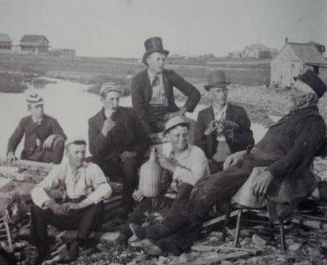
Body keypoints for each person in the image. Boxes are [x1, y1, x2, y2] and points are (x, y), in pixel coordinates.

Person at [130, 70, 327, 255]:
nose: (291, 93)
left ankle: (164, 238)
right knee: (201, 185)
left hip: (260, 168)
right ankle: (165, 239)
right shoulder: (294, 115)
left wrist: (270, 173)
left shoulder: (313, 122)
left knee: (207, 190)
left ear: (308, 96)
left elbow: (297, 156)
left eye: (296, 91)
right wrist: (243, 152)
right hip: (249, 160)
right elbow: (266, 144)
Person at [121, 116, 209, 241]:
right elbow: (161, 187)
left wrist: (172, 167)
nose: (182, 139)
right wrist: (143, 192)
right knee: (146, 202)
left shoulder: (197, 153)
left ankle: (147, 233)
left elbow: (198, 182)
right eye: (176, 135)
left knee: (185, 187)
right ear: (167, 137)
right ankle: (123, 235)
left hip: (193, 202)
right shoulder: (167, 156)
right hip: (173, 203)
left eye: (184, 135)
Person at [30, 137, 112, 264]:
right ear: (67, 154)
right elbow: (37, 189)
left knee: (98, 204)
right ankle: (43, 252)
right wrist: (53, 206)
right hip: (68, 214)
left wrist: (79, 205)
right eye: (76, 152)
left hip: (85, 215)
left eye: (83, 152)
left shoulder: (92, 168)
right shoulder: (60, 169)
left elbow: (106, 188)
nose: (80, 156)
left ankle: (79, 244)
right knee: (36, 207)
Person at [88, 83, 150, 213]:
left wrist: (134, 152)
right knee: (86, 162)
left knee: (130, 164)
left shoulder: (129, 114)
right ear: (102, 100)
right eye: (111, 99)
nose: (115, 103)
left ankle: (126, 207)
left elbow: (145, 138)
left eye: (117, 99)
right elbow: (94, 150)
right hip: (107, 162)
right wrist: (103, 133)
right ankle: (91, 205)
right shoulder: (94, 121)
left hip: (126, 160)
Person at [131, 37, 201, 133]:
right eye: (158, 59)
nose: (161, 63)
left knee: (195, 129)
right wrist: (160, 124)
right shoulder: (137, 80)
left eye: (163, 59)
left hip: (169, 114)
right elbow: (139, 110)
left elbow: (195, 93)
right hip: (147, 118)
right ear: (148, 61)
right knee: (143, 136)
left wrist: (181, 112)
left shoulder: (170, 75)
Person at [193, 70, 254, 173]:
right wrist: (204, 160)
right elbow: (198, 143)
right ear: (210, 93)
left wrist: (231, 134)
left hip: (234, 161)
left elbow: (250, 141)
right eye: (218, 91)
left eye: (225, 90)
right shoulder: (203, 114)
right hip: (211, 162)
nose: (223, 94)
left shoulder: (239, 112)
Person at [7, 93, 67, 164]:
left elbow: (63, 137)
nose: (40, 109)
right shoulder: (25, 121)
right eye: (37, 107)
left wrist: (54, 136)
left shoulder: (52, 121)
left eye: (41, 106)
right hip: (28, 156)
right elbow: (14, 138)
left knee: (60, 141)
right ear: (29, 109)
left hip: (46, 158)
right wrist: (11, 152)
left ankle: (55, 167)